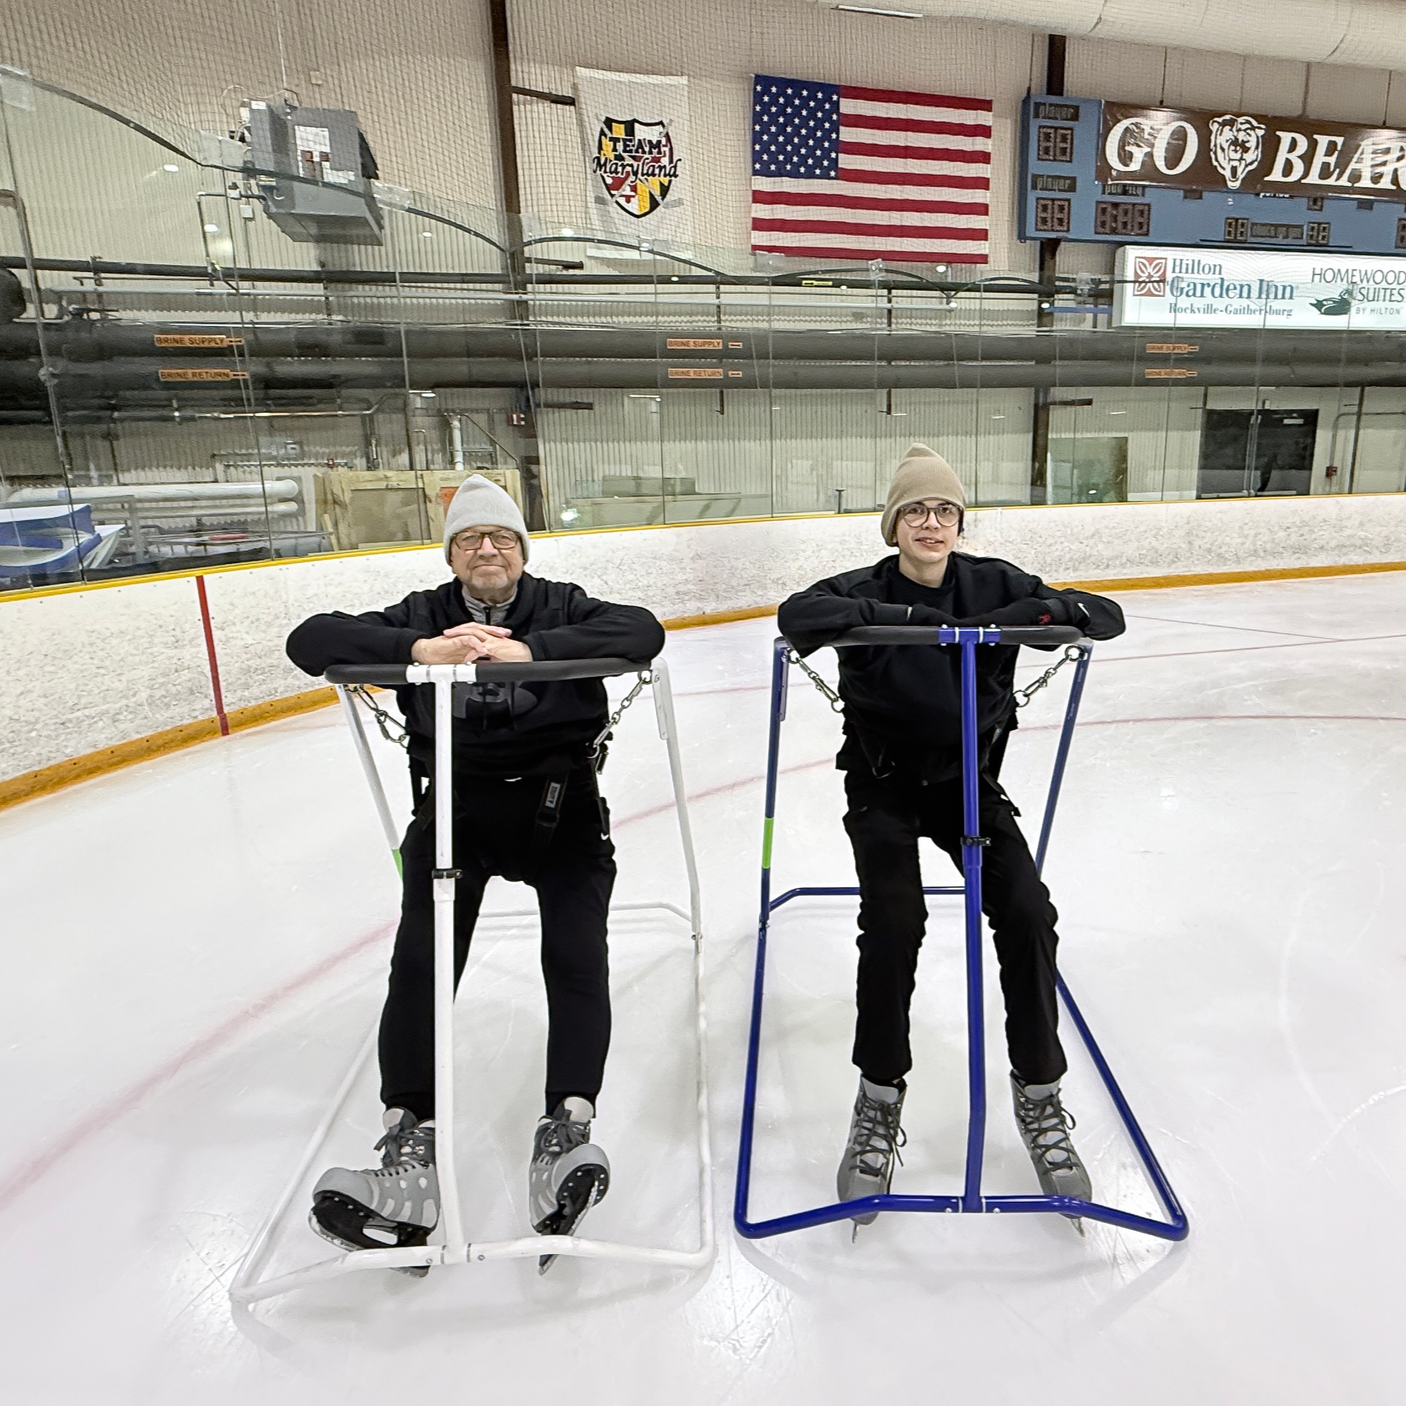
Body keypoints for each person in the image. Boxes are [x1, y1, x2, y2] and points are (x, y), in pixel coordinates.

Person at [286, 474, 665, 1269]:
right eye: (469, 540)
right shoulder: (422, 612)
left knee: (573, 950)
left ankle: (566, 1128)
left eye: (501, 539)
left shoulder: (563, 603)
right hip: (454, 812)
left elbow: (642, 632)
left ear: (522, 550)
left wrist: (530, 652)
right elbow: (312, 639)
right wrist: (416, 653)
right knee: (421, 960)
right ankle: (408, 1146)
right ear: (452, 554)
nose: (486, 550)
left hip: (558, 811)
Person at [776, 444, 1126, 1226]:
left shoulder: (993, 581)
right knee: (896, 920)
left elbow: (1101, 615)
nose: (930, 523)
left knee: (1029, 911)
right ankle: (878, 1096)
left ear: (958, 523)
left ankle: (1039, 1095)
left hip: (968, 784)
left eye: (943, 511)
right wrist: (916, 623)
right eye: (915, 511)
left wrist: (1009, 621)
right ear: (892, 525)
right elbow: (799, 617)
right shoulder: (859, 588)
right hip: (884, 784)